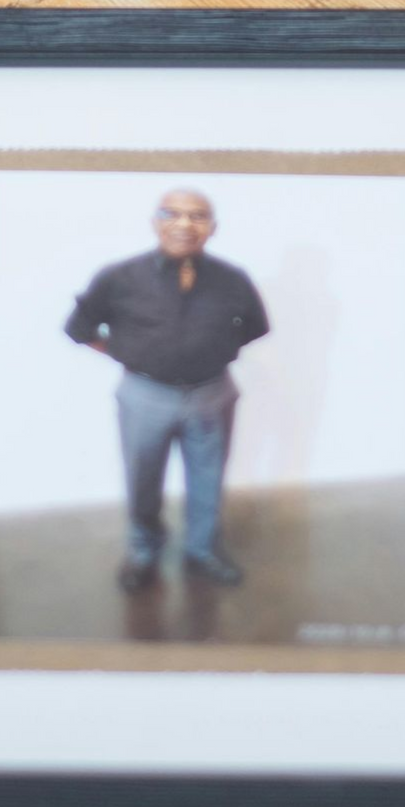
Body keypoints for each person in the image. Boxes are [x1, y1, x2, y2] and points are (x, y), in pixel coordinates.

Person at [64, 189, 270, 594]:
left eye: (197, 216)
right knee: (143, 478)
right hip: (145, 396)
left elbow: (253, 328)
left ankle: (202, 550)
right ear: (155, 222)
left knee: (208, 477)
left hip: (213, 394)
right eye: (171, 214)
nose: (184, 224)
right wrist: (130, 354)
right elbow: (79, 328)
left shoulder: (233, 279)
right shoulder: (119, 277)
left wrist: (209, 353)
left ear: (213, 227)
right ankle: (144, 551)